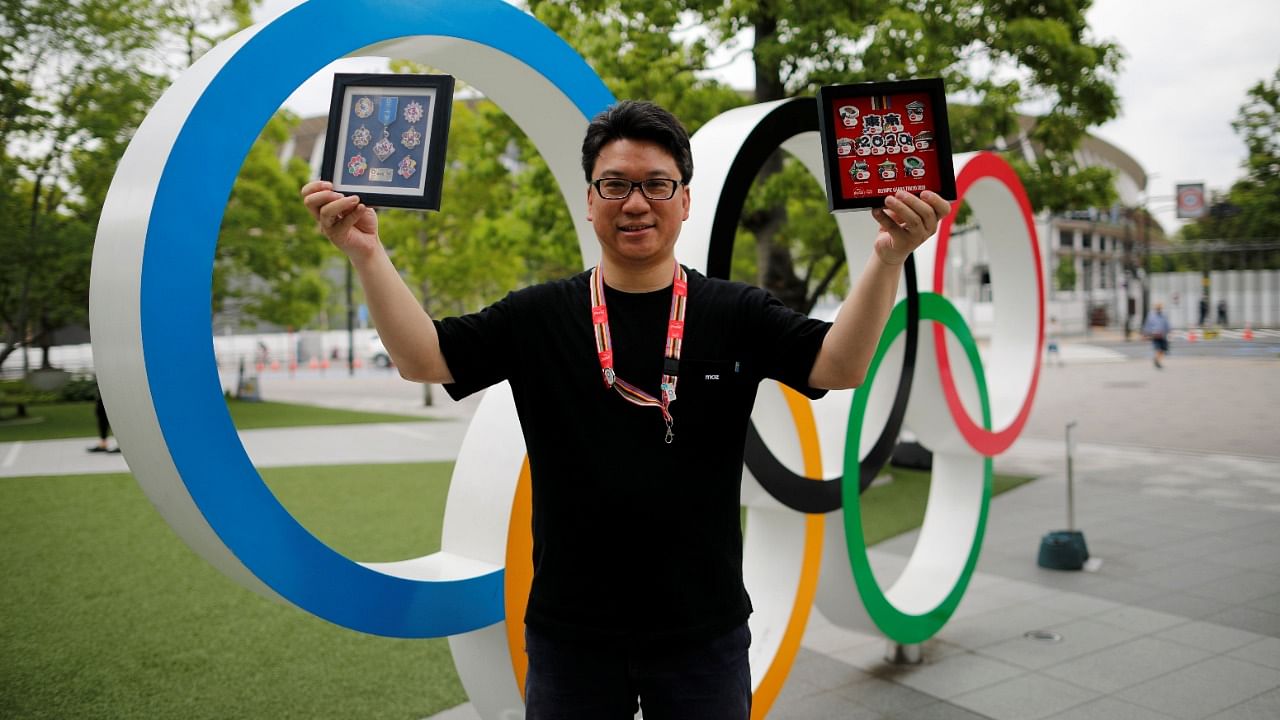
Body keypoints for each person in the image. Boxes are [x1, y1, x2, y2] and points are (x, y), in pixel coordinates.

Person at [301, 100, 948, 719]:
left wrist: (887, 257)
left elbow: (840, 364)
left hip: (705, 633)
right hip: (571, 636)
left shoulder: (734, 312)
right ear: (590, 201)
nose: (635, 203)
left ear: (685, 201)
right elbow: (426, 357)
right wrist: (367, 253)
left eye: (657, 185)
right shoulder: (540, 316)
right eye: (614, 185)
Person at [1142, 303, 1171, 369]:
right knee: (1158, 349)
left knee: (1163, 350)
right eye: (1158, 308)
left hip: (1162, 335)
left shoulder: (1163, 315)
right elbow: (1147, 325)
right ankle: (1157, 361)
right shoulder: (1151, 316)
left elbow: (1167, 325)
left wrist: (1169, 332)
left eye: (1159, 308)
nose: (1159, 309)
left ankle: (1157, 360)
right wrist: (1145, 334)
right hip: (1155, 335)